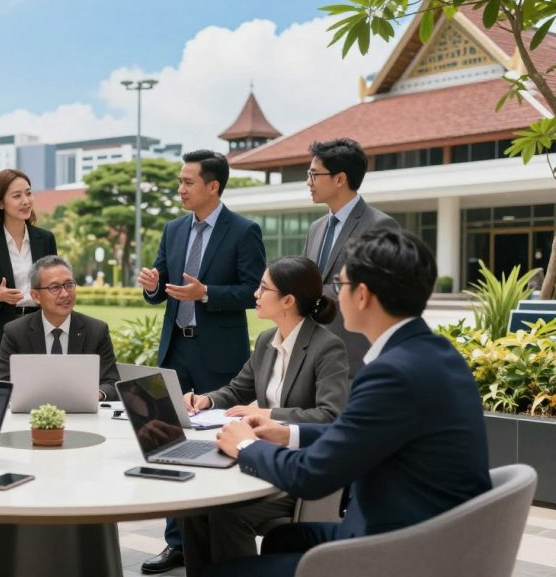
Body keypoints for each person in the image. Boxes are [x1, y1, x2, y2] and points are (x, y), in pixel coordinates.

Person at [210, 229, 492, 577]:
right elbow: (358, 431)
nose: (334, 296)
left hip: (399, 552)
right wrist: (288, 435)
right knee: (284, 539)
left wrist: (247, 446)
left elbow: (311, 476)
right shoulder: (436, 354)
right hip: (434, 535)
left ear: (363, 296)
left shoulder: (392, 374)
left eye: (340, 285)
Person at [137, 149, 266, 574]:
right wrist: (153, 286)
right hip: (177, 351)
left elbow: (253, 291)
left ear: (213, 186)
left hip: (220, 358)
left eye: (188, 182)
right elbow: (162, 288)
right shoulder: (173, 229)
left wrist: (206, 293)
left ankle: (220, 536)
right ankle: (176, 543)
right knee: (171, 442)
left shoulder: (244, 231)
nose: (180, 189)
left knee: (218, 443)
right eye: (180, 181)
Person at [178, 256, 350, 575]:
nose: (255, 294)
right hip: (257, 458)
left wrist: (268, 413)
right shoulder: (266, 341)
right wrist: (204, 399)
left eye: (263, 287)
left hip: (298, 473)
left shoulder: (328, 347)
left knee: (225, 513)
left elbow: (331, 416)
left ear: (287, 300)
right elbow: (235, 391)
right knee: (195, 507)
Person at [303, 138, 398, 379]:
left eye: (314, 175)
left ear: (339, 179)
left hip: (354, 360)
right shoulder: (316, 228)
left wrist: (310, 293)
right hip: (312, 358)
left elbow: (377, 290)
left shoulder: (380, 226)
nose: (308, 182)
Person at [0, 169, 57, 377]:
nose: (26, 201)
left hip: (38, 333)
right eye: (17, 196)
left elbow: (55, 284)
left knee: (37, 401)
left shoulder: (46, 239)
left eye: (28, 193)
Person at [0, 255, 120, 399]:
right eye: (55, 287)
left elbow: (111, 383)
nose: (65, 294)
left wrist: (92, 395)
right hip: (31, 415)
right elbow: (3, 384)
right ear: (36, 296)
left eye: (69, 285)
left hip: (83, 415)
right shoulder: (15, 332)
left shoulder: (96, 330)